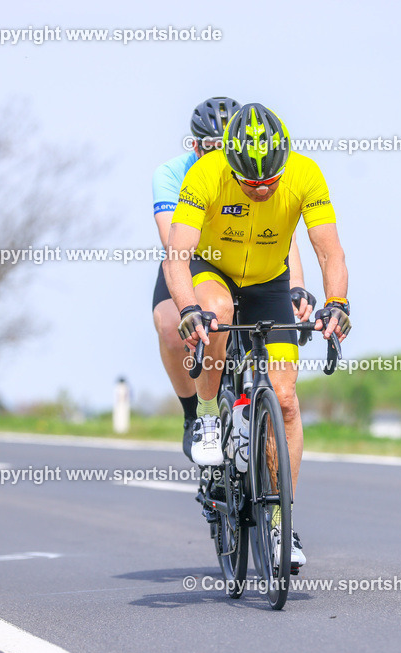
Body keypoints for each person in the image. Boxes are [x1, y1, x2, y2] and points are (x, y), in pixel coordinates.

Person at [164, 103, 351, 570]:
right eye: (251, 183)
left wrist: (337, 302)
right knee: (217, 312)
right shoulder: (206, 173)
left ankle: (281, 521)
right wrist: (187, 310)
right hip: (213, 270)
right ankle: (209, 413)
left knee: (284, 399)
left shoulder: (306, 174)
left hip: (269, 282)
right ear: (230, 163)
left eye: (271, 180)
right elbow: (177, 254)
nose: (262, 189)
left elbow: (330, 252)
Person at [152, 97, 315, 458]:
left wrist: (297, 285)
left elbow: (283, 238)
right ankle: (195, 415)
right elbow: (173, 245)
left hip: (250, 260)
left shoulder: (251, 169)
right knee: (171, 328)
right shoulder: (173, 174)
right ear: (195, 145)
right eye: (209, 146)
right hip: (194, 257)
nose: (218, 154)